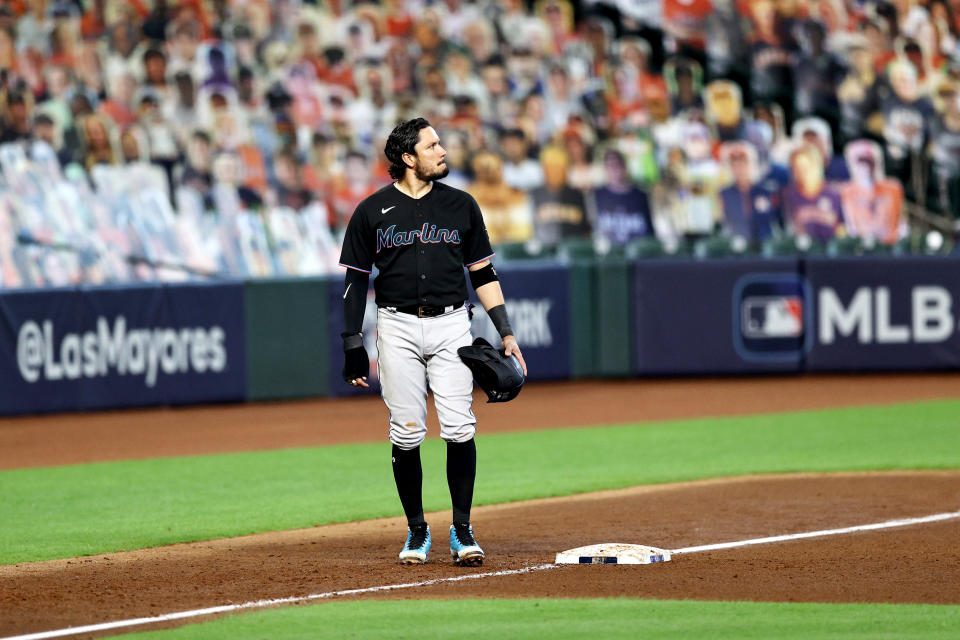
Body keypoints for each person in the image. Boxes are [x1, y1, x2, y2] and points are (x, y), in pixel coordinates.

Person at [338, 118, 527, 566]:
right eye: (432, 145)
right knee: (406, 433)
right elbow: (354, 282)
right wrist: (351, 343)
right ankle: (417, 531)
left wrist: (505, 330)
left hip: (451, 326)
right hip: (396, 327)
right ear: (408, 158)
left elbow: (483, 273)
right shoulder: (371, 211)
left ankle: (462, 531)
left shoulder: (461, 205)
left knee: (460, 427)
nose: (442, 151)